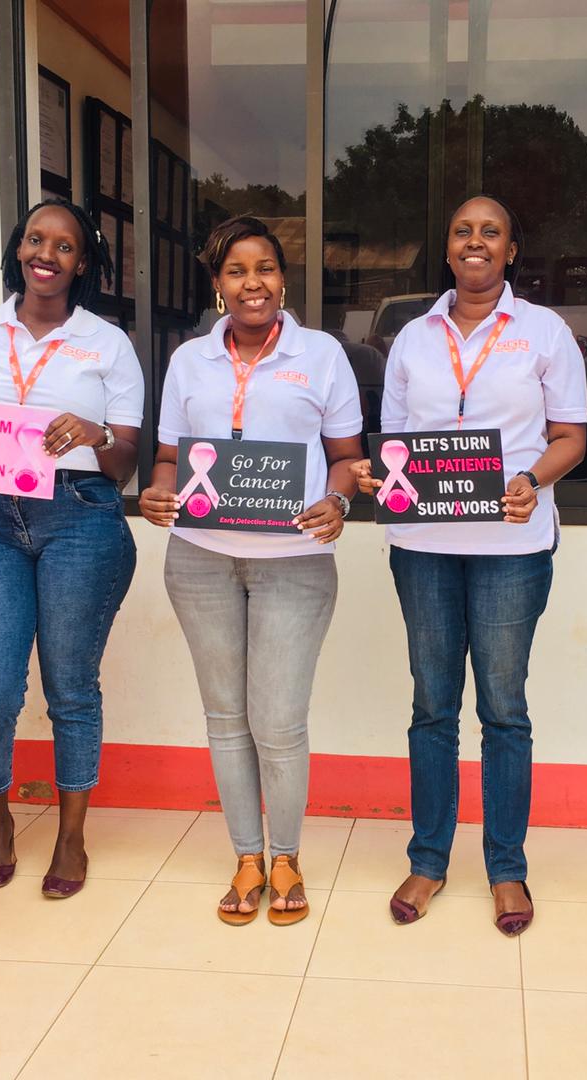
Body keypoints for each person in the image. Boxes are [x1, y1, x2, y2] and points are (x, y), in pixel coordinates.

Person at [353, 196, 587, 935]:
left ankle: (506, 868)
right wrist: (373, 477)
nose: (476, 241)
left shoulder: (546, 333)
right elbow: (395, 443)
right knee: (432, 706)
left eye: (491, 231)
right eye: (462, 230)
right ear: (448, 248)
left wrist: (532, 482)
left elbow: (571, 438)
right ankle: (428, 860)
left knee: (504, 711)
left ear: (511, 251)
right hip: (422, 546)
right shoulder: (413, 338)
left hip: (511, 549)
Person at [0, 197, 144, 898]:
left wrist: (96, 434)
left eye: (64, 246)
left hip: (81, 516)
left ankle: (71, 839)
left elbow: (127, 462)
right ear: (18, 249)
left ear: (84, 263)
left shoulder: (108, 344)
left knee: (70, 690)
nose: (47, 254)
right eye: (36, 240)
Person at [139, 216, 362, 926]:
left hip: (293, 561)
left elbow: (347, 456)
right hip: (200, 559)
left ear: (283, 279)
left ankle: (288, 854)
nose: (252, 283)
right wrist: (156, 490)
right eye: (236, 271)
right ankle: (245, 855)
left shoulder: (321, 354)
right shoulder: (187, 361)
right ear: (217, 286)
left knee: (278, 720)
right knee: (227, 718)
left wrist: (338, 499)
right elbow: (172, 459)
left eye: (263, 268)